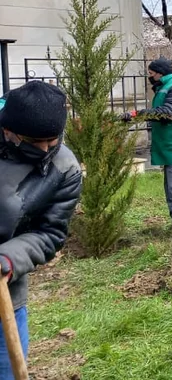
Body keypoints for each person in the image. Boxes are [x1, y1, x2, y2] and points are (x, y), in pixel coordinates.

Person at [0, 81, 82, 378]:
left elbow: (51, 234)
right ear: (8, 130)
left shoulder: (65, 168)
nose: (47, 150)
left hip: (4, 292)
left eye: (53, 140)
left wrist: (7, 259)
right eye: (36, 143)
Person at [122, 57, 172, 231]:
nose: (149, 77)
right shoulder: (164, 88)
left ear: (160, 73)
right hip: (171, 144)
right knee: (171, 187)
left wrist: (138, 114)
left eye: (151, 73)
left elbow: (167, 113)